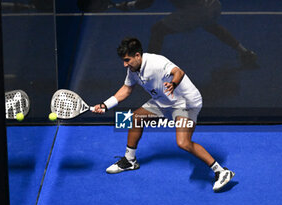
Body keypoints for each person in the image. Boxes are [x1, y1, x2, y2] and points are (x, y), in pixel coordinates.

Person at [93, 37, 235, 192]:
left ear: (138, 56)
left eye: (127, 60)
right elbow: (126, 89)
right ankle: (130, 160)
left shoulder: (156, 62)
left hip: (185, 103)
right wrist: (105, 105)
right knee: (136, 118)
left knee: (183, 143)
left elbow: (178, 72)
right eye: (123, 61)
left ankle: (221, 171)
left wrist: (173, 84)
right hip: (163, 101)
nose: (125, 64)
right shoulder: (132, 70)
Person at [116, 0, 257, 65]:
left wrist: (127, 5)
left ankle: (151, 69)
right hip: (213, 5)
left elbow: (145, 3)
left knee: (157, 30)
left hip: (195, 11)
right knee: (212, 27)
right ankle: (245, 52)